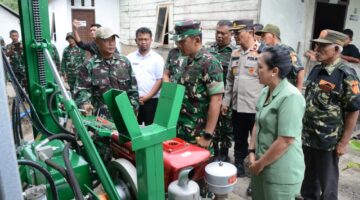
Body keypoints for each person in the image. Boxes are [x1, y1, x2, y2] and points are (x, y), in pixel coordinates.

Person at [301, 29, 360, 200]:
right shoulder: (316, 69)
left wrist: (344, 142)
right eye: (317, 45)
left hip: (328, 140)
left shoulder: (346, 74)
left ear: (336, 50)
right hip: (308, 136)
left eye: (323, 46)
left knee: (328, 185)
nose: (317, 49)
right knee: (309, 179)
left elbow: (353, 110)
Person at [247, 45, 305, 200]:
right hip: (259, 166)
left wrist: (259, 164)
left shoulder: (291, 97)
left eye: (260, 67)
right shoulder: (266, 91)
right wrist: (251, 152)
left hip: (281, 173)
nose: (256, 70)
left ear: (274, 71)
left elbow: (285, 140)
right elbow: (257, 123)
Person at [165, 20, 224, 148]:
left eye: (182, 41)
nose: (179, 45)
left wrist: (207, 135)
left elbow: (217, 100)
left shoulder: (210, 63)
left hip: (198, 133)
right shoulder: (185, 60)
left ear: (196, 40)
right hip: (181, 129)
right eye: (178, 41)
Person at [221, 19, 263, 177]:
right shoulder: (235, 53)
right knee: (239, 138)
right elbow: (230, 80)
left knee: (257, 141)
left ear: (251, 32)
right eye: (234, 33)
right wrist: (226, 101)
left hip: (255, 107)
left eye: (238, 32)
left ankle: (256, 171)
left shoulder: (262, 52)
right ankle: (239, 163)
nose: (235, 36)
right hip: (238, 106)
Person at [75, 27, 139, 117]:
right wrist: (85, 103)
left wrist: (133, 109)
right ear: (97, 42)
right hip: (100, 118)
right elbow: (82, 90)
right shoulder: (89, 65)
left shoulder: (124, 62)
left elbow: (133, 89)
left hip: (124, 114)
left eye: (113, 39)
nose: (111, 43)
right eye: (106, 40)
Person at [206, 20, 236, 161]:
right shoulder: (209, 48)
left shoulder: (234, 52)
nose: (219, 36)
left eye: (223, 33)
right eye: (217, 32)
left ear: (231, 34)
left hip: (226, 95)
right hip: (211, 95)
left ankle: (224, 153)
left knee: (226, 126)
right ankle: (215, 150)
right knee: (212, 122)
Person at [127, 27, 164, 125]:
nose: (143, 42)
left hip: (152, 101)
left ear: (151, 40)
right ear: (136, 41)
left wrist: (148, 97)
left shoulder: (158, 59)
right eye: (140, 39)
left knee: (151, 129)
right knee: (133, 128)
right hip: (133, 100)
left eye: (146, 39)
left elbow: (159, 80)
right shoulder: (129, 58)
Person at [255, 24, 304, 91]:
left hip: (286, 90)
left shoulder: (286, 50)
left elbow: (300, 69)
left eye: (264, 35)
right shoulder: (266, 51)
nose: (261, 38)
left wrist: (299, 89)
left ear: (273, 35)